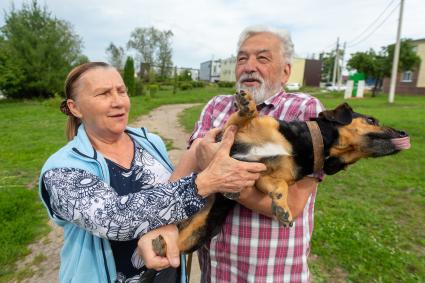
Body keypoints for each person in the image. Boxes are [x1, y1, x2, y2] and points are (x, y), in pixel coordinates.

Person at [38, 62, 266, 283]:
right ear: (75, 107)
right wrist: (205, 182)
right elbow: (114, 218)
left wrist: (200, 153)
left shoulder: (149, 141)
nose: (118, 102)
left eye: (122, 91)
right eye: (103, 94)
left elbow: (168, 192)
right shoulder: (61, 170)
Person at [189, 26, 325, 282]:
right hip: (214, 271)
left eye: (262, 58)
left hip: (271, 274)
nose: (249, 66)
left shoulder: (304, 110)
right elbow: (192, 166)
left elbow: (291, 205)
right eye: (242, 58)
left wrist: (223, 177)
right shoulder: (215, 106)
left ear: (285, 71)